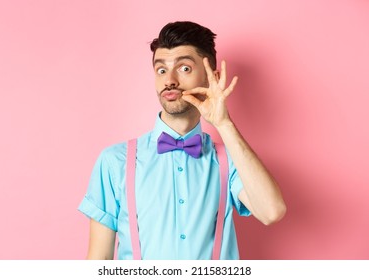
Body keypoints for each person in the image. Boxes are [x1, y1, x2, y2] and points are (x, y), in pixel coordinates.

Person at [78, 21, 286, 260]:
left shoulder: (230, 160)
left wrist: (223, 123)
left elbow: (272, 211)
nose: (170, 80)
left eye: (184, 68)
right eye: (161, 70)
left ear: (212, 78)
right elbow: (98, 261)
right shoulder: (115, 161)